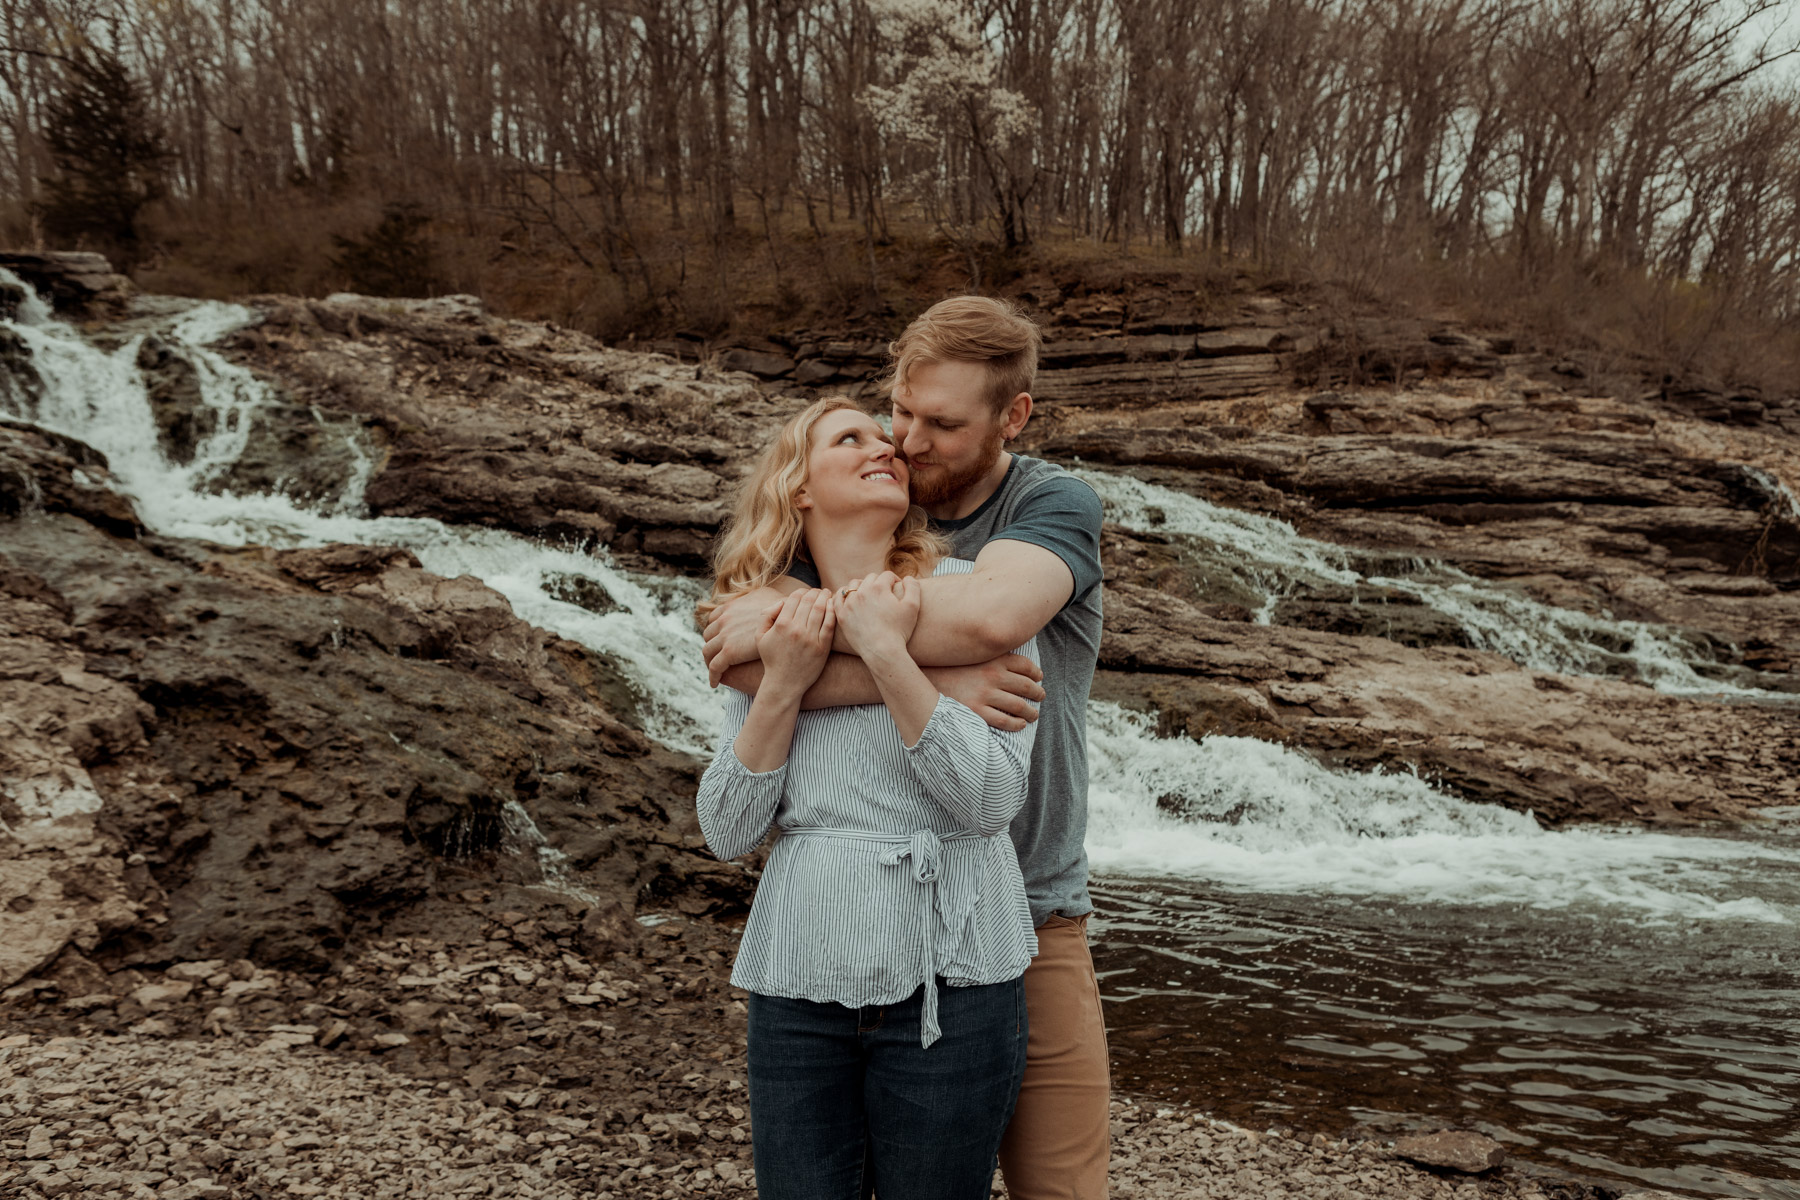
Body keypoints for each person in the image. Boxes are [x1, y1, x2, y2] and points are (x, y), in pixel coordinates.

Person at [703, 296, 1109, 1200]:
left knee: (1060, 1189)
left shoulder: (1048, 505)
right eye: (899, 412)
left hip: (1025, 903)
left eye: (941, 424)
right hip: (831, 941)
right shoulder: (794, 577)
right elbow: (733, 656)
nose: (907, 441)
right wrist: (939, 673)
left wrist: (824, 651)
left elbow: (998, 619)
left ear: (1014, 416)